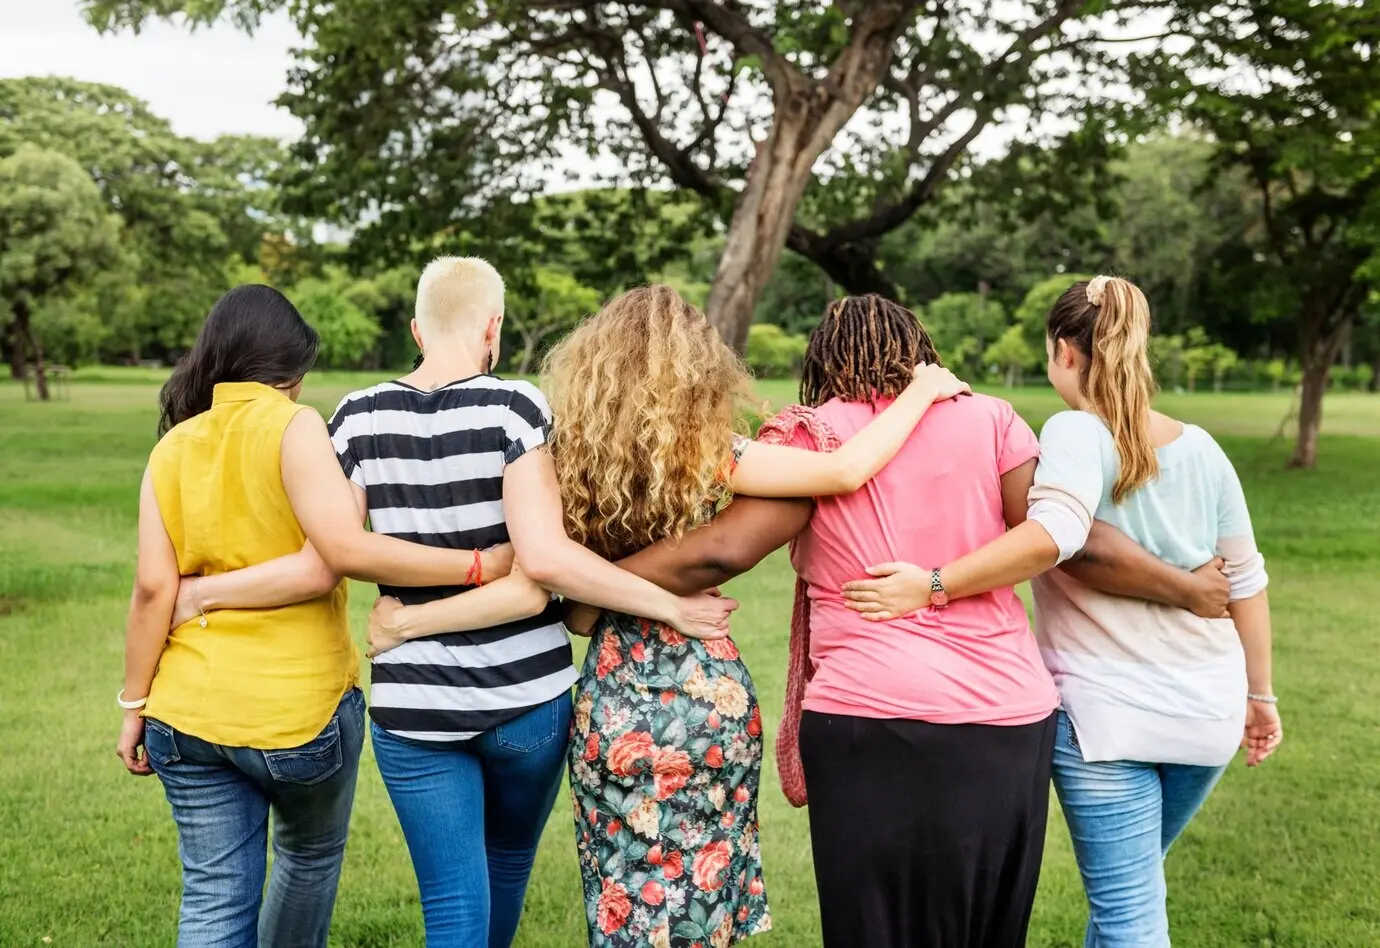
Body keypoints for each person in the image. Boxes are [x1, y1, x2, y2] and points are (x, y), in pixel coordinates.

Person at [370, 284, 973, 947]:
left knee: (629, 903)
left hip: (615, 704)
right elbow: (843, 470)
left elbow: (573, 616)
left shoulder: (564, 457)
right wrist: (920, 392)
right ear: (698, 363)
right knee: (704, 908)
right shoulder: (704, 452)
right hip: (706, 694)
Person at [171, 262, 737, 948]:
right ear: (493, 328)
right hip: (528, 699)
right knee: (506, 864)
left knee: (451, 906)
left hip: (415, 707)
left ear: (416, 329)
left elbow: (338, 550)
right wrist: (670, 607)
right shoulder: (516, 408)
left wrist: (204, 591)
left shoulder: (354, 415)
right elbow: (547, 562)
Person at [841, 277, 1280, 947]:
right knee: (1130, 899)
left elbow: (1058, 535)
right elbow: (1246, 582)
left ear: (1062, 352)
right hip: (1207, 714)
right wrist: (1261, 695)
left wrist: (933, 583)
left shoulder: (1074, 430)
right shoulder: (1203, 450)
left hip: (1105, 722)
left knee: (1130, 918)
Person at [117, 285, 518, 948]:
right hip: (297, 716)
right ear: (291, 371)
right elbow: (328, 559)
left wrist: (136, 702)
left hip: (182, 712)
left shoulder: (173, 447)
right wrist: (478, 566)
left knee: (214, 897)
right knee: (306, 858)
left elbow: (153, 591)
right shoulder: (294, 425)